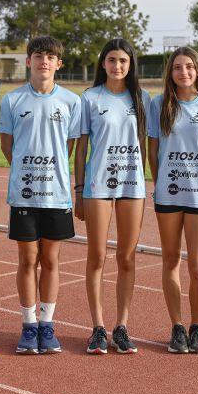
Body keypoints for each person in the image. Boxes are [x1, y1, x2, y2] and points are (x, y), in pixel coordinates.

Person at [0, 36, 81, 355]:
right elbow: (8, 146)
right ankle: (28, 325)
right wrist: (26, 169)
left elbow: (69, 148)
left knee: (50, 259)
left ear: (59, 64)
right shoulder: (12, 100)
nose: (44, 61)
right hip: (24, 195)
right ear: (28, 61)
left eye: (50, 57)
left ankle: (47, 325)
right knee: (27, 259)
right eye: (38, 56)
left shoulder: (72, 102)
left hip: (57, 195)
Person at [74, 39, 150, 354]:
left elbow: (146, 145)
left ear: (130, 64)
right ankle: (97, 328)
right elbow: (80, 150)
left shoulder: (142, 98)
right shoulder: (90, 98)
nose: (117, 66)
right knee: (97, 256)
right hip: (97, 186)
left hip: (132, 187)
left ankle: (121, 327)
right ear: (102, 63)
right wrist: (78, 191)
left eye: (123, 60)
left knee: (127, 257)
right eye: (111, 60)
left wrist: (145, 181)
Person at [147, 47, 198, 354]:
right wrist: (161, 178)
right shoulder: (159, 104)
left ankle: (197, 327)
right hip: (168, 194)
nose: (183, 72)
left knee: (197, 266)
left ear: (197, 71)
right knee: (170, 260)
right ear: (171, 72)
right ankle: (177, 327)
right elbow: (153, 150)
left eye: (189, 67)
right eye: (178, 67)